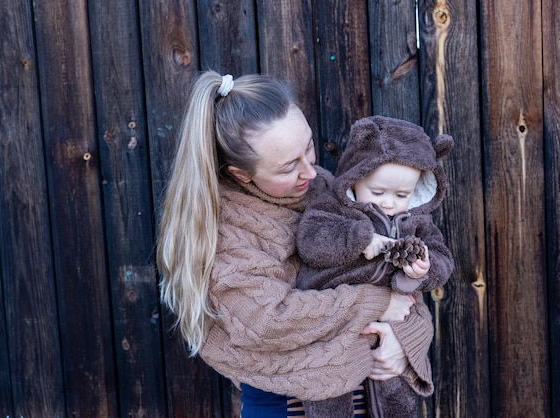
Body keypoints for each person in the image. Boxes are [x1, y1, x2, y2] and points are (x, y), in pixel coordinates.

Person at [156, 70, 432, 417]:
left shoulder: (329, 191)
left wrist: (404, 344)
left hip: (376, 397)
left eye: (309, 147)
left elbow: (401, 280)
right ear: (241, 174)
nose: (311, 171)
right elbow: (270, 321)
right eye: (289, 167)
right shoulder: (226, 234)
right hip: (290, 407)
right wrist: (374, 302)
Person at [296, 116, 454, 418]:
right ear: (355, 179)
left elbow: (442, 259)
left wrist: (424, 269)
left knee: (395, 391)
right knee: (328, 388)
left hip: (392, 327)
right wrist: (358, 238)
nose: (391, 204)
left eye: (402, 195)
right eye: (378, 193)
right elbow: (311, 241)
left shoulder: (417, 222)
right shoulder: (334, 208)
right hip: (336, 321)